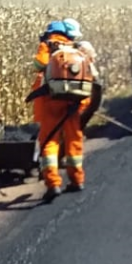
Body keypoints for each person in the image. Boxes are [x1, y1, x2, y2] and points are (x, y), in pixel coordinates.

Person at [35, 40, 98, 200]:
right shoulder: (79, 55)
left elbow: (40, 71)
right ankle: (77, 180)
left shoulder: (54, 56)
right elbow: (93, 81)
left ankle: (53, 183)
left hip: (53, 104)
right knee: (74, 141)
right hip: (75, 104)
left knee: (49, 142)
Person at [31, 21, 72, 124]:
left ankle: (42, 132)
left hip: (48, 84)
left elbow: (40, 64)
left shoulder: (46, 44)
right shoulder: (70, 44)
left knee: (45, 116)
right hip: (69, 84)